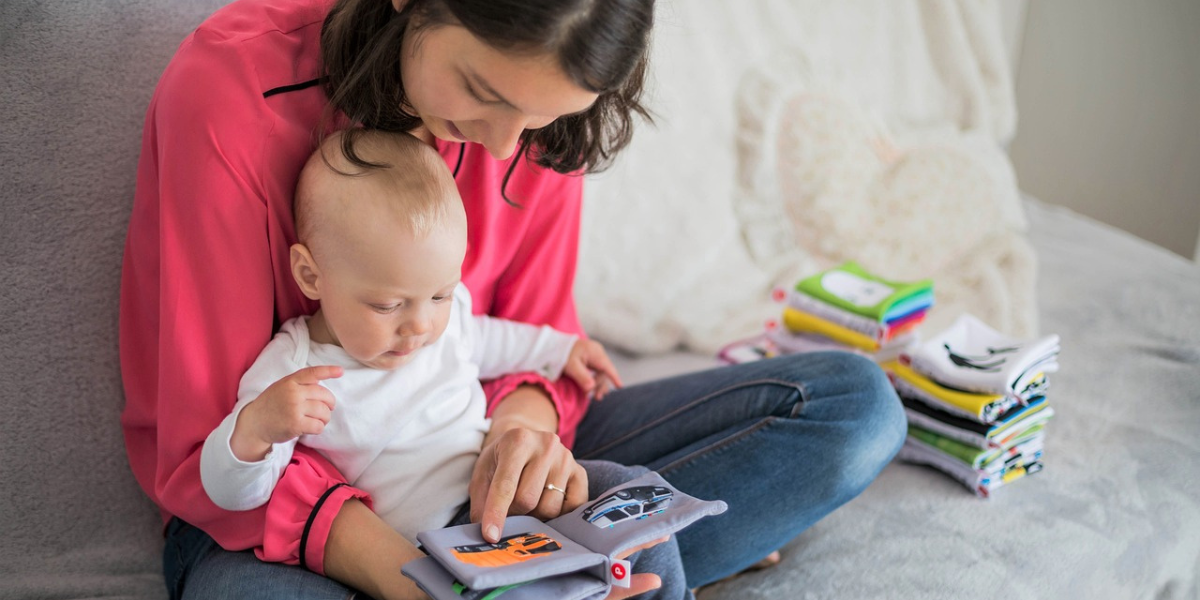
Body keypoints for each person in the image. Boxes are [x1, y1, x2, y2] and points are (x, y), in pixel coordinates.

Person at [119, 0, 908, 598]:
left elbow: (533, 337)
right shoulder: (227, 95)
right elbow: (208, 446)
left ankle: (577, 565)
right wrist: (423, 582)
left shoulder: (534, 123)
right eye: (479, 90)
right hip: (270, 512)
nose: (503, 148)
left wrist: (522, 441)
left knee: (854, 409)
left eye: (546, 116)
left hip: (471, 452)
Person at [199, 129, 624, 546]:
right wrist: (257, 428)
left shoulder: (443, 317)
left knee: (627, 490)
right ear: (311, 276)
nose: (420, 326)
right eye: (387, 305)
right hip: (433, 544)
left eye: (440, 294)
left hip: (497, 494)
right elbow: (233, 495)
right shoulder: (295, 371)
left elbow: (491, 340)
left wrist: (561, 349)